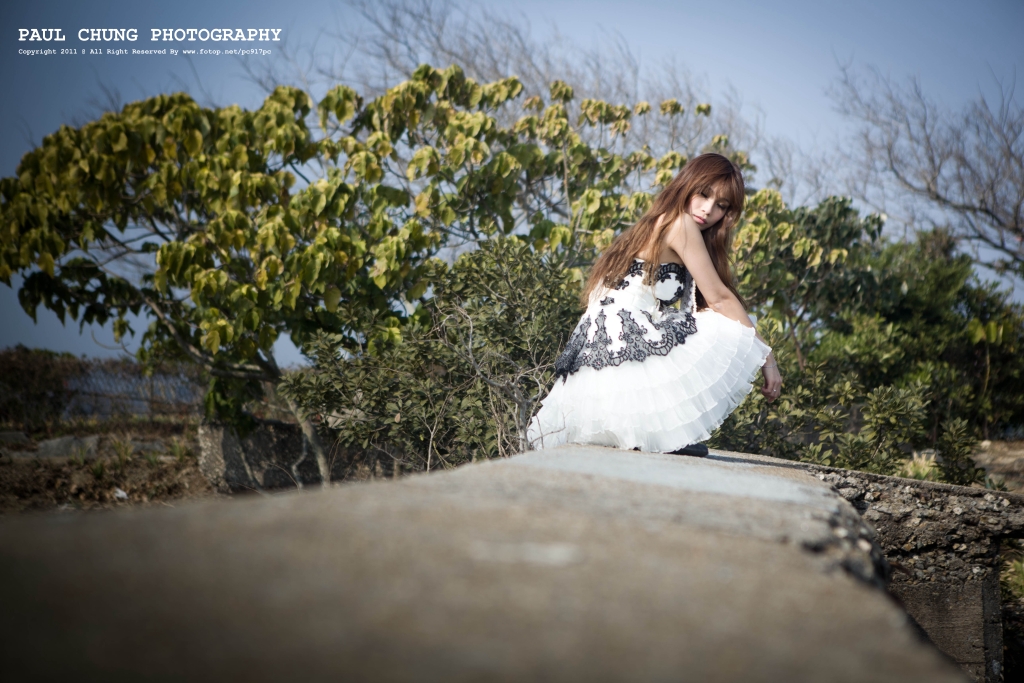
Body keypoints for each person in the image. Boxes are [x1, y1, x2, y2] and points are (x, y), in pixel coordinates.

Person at [528, 153, 782, 456]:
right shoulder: (680, 224)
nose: (708, 209)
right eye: (703, 194)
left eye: (721, 205)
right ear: (686, 186)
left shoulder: (654, 223)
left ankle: (650, 434)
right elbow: (719, 299)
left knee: (697, 321)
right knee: (727, 326)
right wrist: (766, 357)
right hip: (623, 337)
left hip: (598, 348)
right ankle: (658, 435)